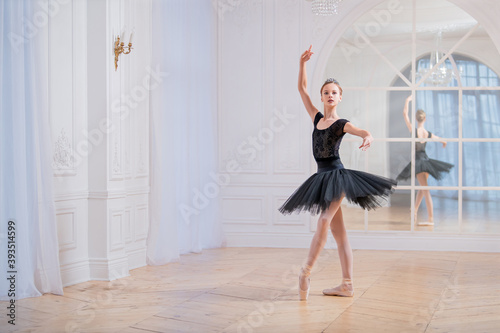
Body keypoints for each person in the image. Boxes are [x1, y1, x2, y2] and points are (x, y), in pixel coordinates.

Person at [279, 46, 396, 301]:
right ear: (321, 97)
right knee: (339, 234)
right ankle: (347, 284)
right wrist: (302, 64)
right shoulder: (316, 118)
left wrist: (368, 136)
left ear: (340, 97)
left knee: (323, 221)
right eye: (326, 92)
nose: (330, 95)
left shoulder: (342, 124)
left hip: (337, 175)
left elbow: (362, 131)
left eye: (334, 92)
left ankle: (305, 272)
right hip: (321, 178)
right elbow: (301, 89)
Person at [396, 95, 454, 226]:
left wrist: (407, 100)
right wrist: (444, 142)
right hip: (426, 162)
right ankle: (419, 212)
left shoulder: (413, 130)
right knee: (424, 189)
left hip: (418, 162)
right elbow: (440, 139)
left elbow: (405, 114)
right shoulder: (427, 133)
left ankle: (428, 217)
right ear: (425, 119)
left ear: (416, 119)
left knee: (424, 190)